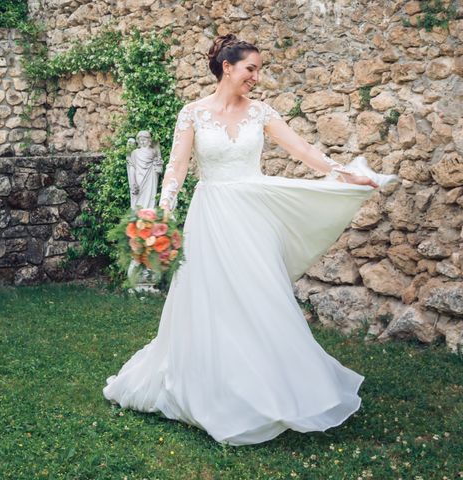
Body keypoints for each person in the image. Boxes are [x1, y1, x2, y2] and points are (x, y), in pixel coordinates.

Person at [103, 34, 398, 445]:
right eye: (251, 69)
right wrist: (161, 216)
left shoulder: (261, 112)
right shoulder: (192, 114)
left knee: (261, 296)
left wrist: (345, 172)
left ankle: (269, 387)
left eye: (258, 70)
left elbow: (303, 149)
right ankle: (213, 387)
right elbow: (176, 167)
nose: (256, 78)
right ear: (228, 67)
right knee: (211, 299)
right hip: (211, 216)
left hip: (252, 216)